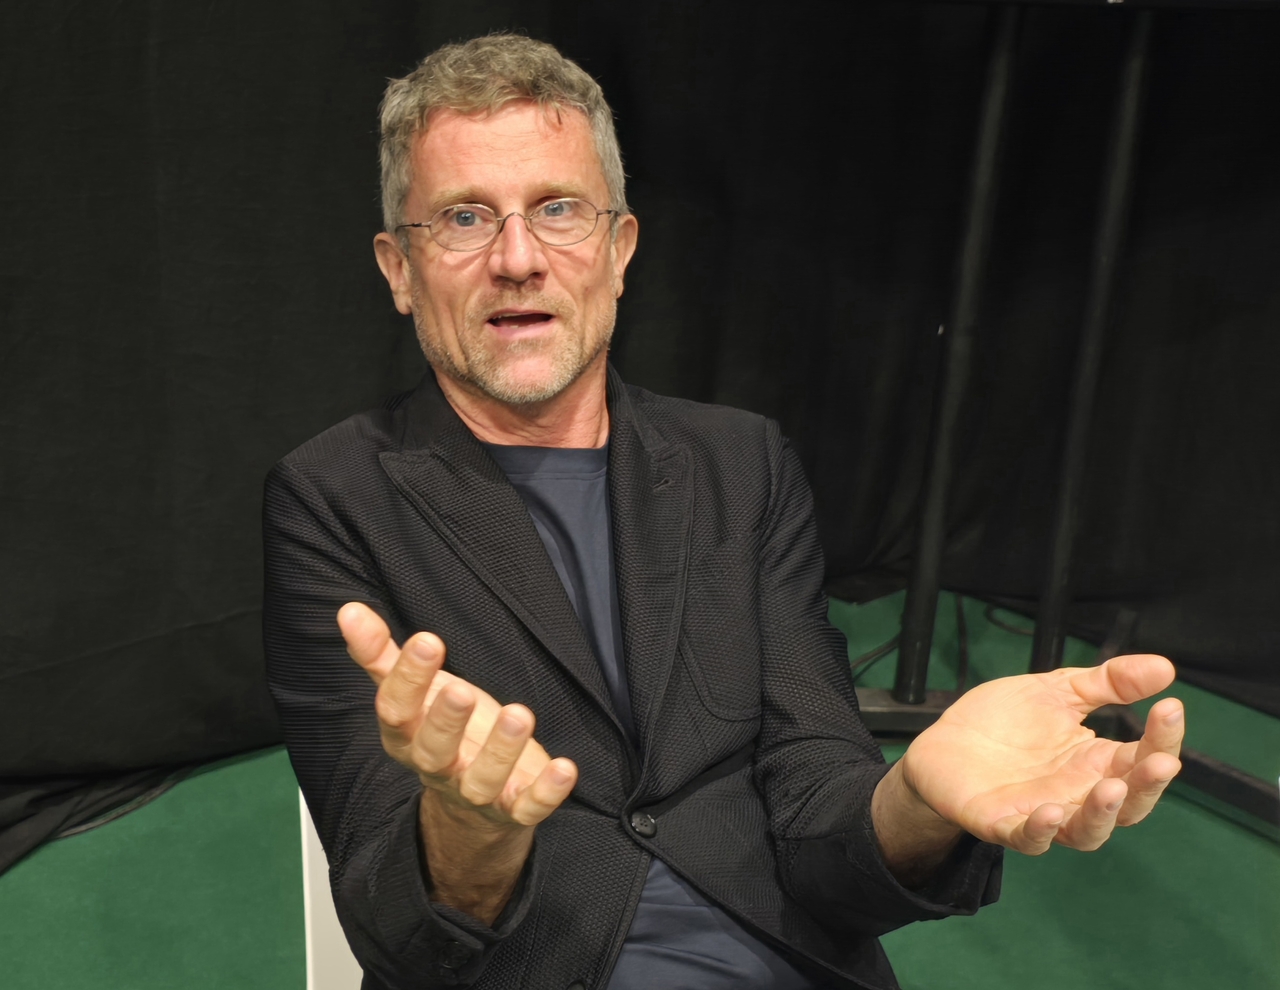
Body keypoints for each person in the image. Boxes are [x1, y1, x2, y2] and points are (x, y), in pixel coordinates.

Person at [263, 34, 1184, 990]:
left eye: (559, 209)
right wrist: (469, 834)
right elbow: (391, 924)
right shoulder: (331, 499)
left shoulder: (741, 463)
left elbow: (818, 801)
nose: (519, 258)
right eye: (463, 218)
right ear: (399, 269)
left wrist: (914, 797)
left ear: (619, 249)